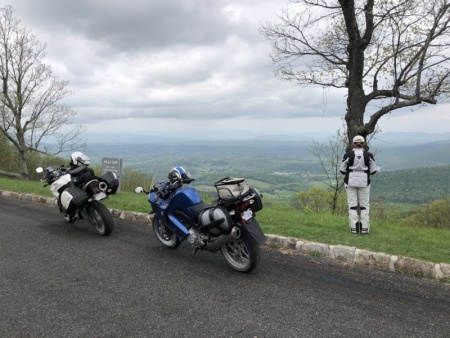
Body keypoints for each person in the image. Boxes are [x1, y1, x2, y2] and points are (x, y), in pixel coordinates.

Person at [340, 135, 377, 234]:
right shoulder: (369, 155)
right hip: (364, 182)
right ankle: (365, 229)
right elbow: (373, 171)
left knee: (352, 205)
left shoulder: (347, 155)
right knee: (364, 206)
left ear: (353, 144)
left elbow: (342, 170)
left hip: (350, 181)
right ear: (363, 144)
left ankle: (354, 229)